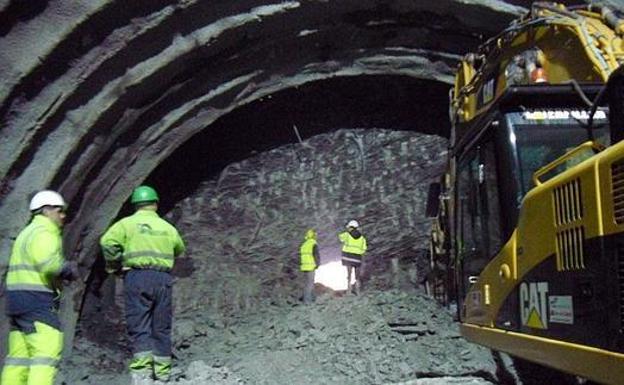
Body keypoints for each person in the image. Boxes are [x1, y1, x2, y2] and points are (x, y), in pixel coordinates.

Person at [100, 185, 185, 385]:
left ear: (135, 205)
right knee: (161, 326)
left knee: (139, 325)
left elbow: (107, 242)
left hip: (136, 277)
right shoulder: (167, 228)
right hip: (162, 279)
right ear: (155, 204)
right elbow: (180, 248)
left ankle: (142, 374)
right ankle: (163, 373)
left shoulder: (126, 224)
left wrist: (114, 265)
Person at [1, 190, 79, 385]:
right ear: (47, 210)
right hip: (36, 301)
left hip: (16, 301)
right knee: (46, 352)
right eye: (59, 211)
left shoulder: (26, 233)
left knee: (19, 358)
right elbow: (48, 263)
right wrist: (67, 268)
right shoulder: (45, 232)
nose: (63, 216)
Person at [338, 219, 367, 294]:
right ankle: (358, 290)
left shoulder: (347, 235)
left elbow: (340, 237)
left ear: (350, 227)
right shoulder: (362, 238)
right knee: (357, 275)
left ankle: (349, 290)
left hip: (348, 258)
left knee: (349, 274)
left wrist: (347, 231)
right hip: (357, 258)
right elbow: (364, 249)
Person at [299, 229, 320, 304]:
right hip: (311, 266)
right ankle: (307, 301)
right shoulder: (313, 243)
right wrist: (317, 264)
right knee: (310, 284)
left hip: (304, 267)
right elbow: (316, 255)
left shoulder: (304, 245)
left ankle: (312, 298)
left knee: (307, 283)